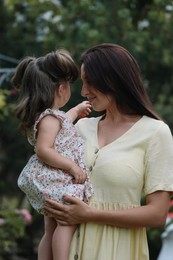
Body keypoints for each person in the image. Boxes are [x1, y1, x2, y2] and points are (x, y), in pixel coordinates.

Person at [44, 43, 173, 260]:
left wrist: (90, 214)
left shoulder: (155, 132)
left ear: (112, 79)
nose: (84, 92)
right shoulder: (79, 128)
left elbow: (158, 214)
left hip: (117, 252)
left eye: (89, 83)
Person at [12, 49, 93, 260]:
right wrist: (71, 166)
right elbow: (44, 150)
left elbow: (62, 124)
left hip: (48, 180)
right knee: (66, 222)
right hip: (55, 178)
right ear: (60, 89)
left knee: (51, 226)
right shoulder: (49, 118)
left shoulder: (50, 116)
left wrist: (75, 111)